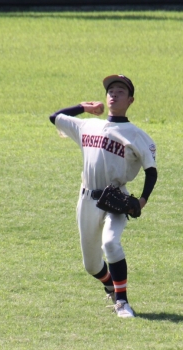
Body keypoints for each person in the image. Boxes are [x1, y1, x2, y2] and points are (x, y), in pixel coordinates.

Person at [49, 75, 158, 318]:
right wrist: (83, 107)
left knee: (110, 242)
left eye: (120, 91)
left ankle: (122, 302)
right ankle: (110, 284)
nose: (114, 94)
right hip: (86, 200)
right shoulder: (87, 126)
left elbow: (151, 171)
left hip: (115, 201)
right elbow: (55, 117)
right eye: (111, 90)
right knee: (91, 266)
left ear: (130, 100)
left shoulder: (136, 135)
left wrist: (142, 200)